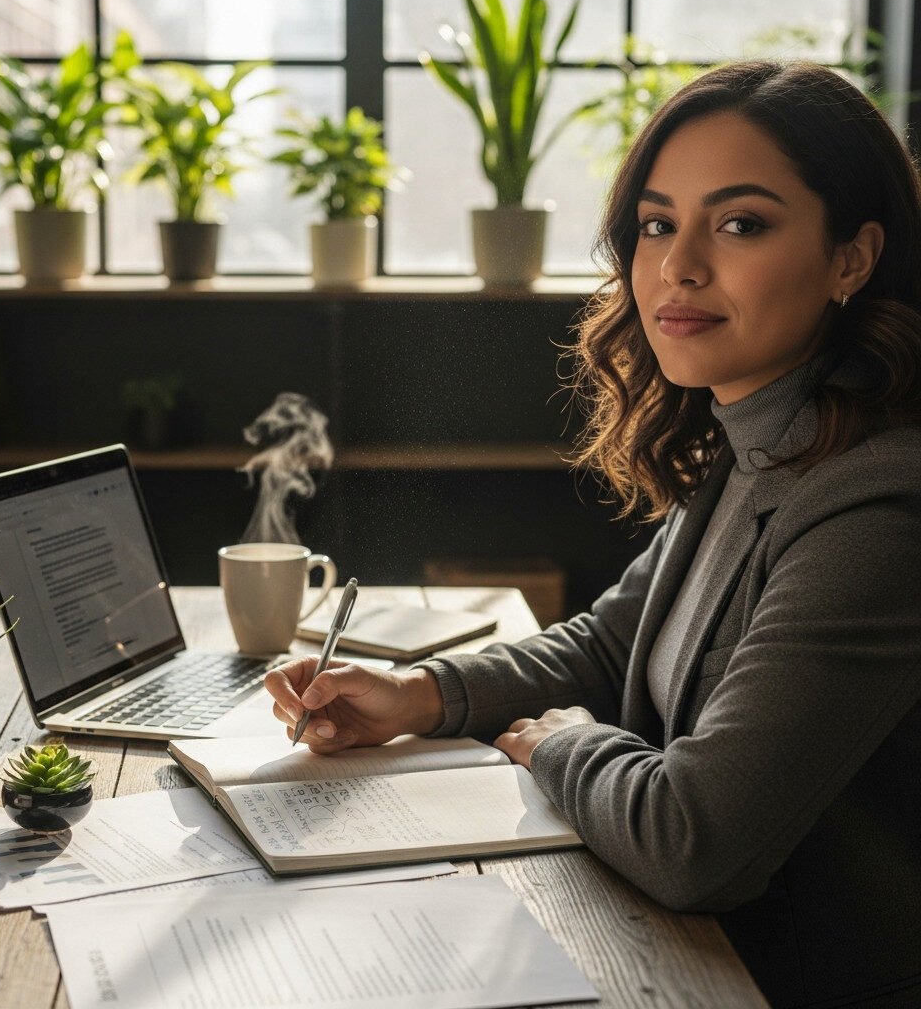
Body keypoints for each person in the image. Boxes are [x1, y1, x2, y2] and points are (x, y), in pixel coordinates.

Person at [265, 61, 921, 1009]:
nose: (678, 265)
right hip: (690, 953)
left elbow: (693, 841)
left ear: (851, 259)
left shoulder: (878, 511)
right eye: (657, 224)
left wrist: (562, 744)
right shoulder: (761, 440)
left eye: (740, 224)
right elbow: (611, 644)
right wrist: (416, 696)